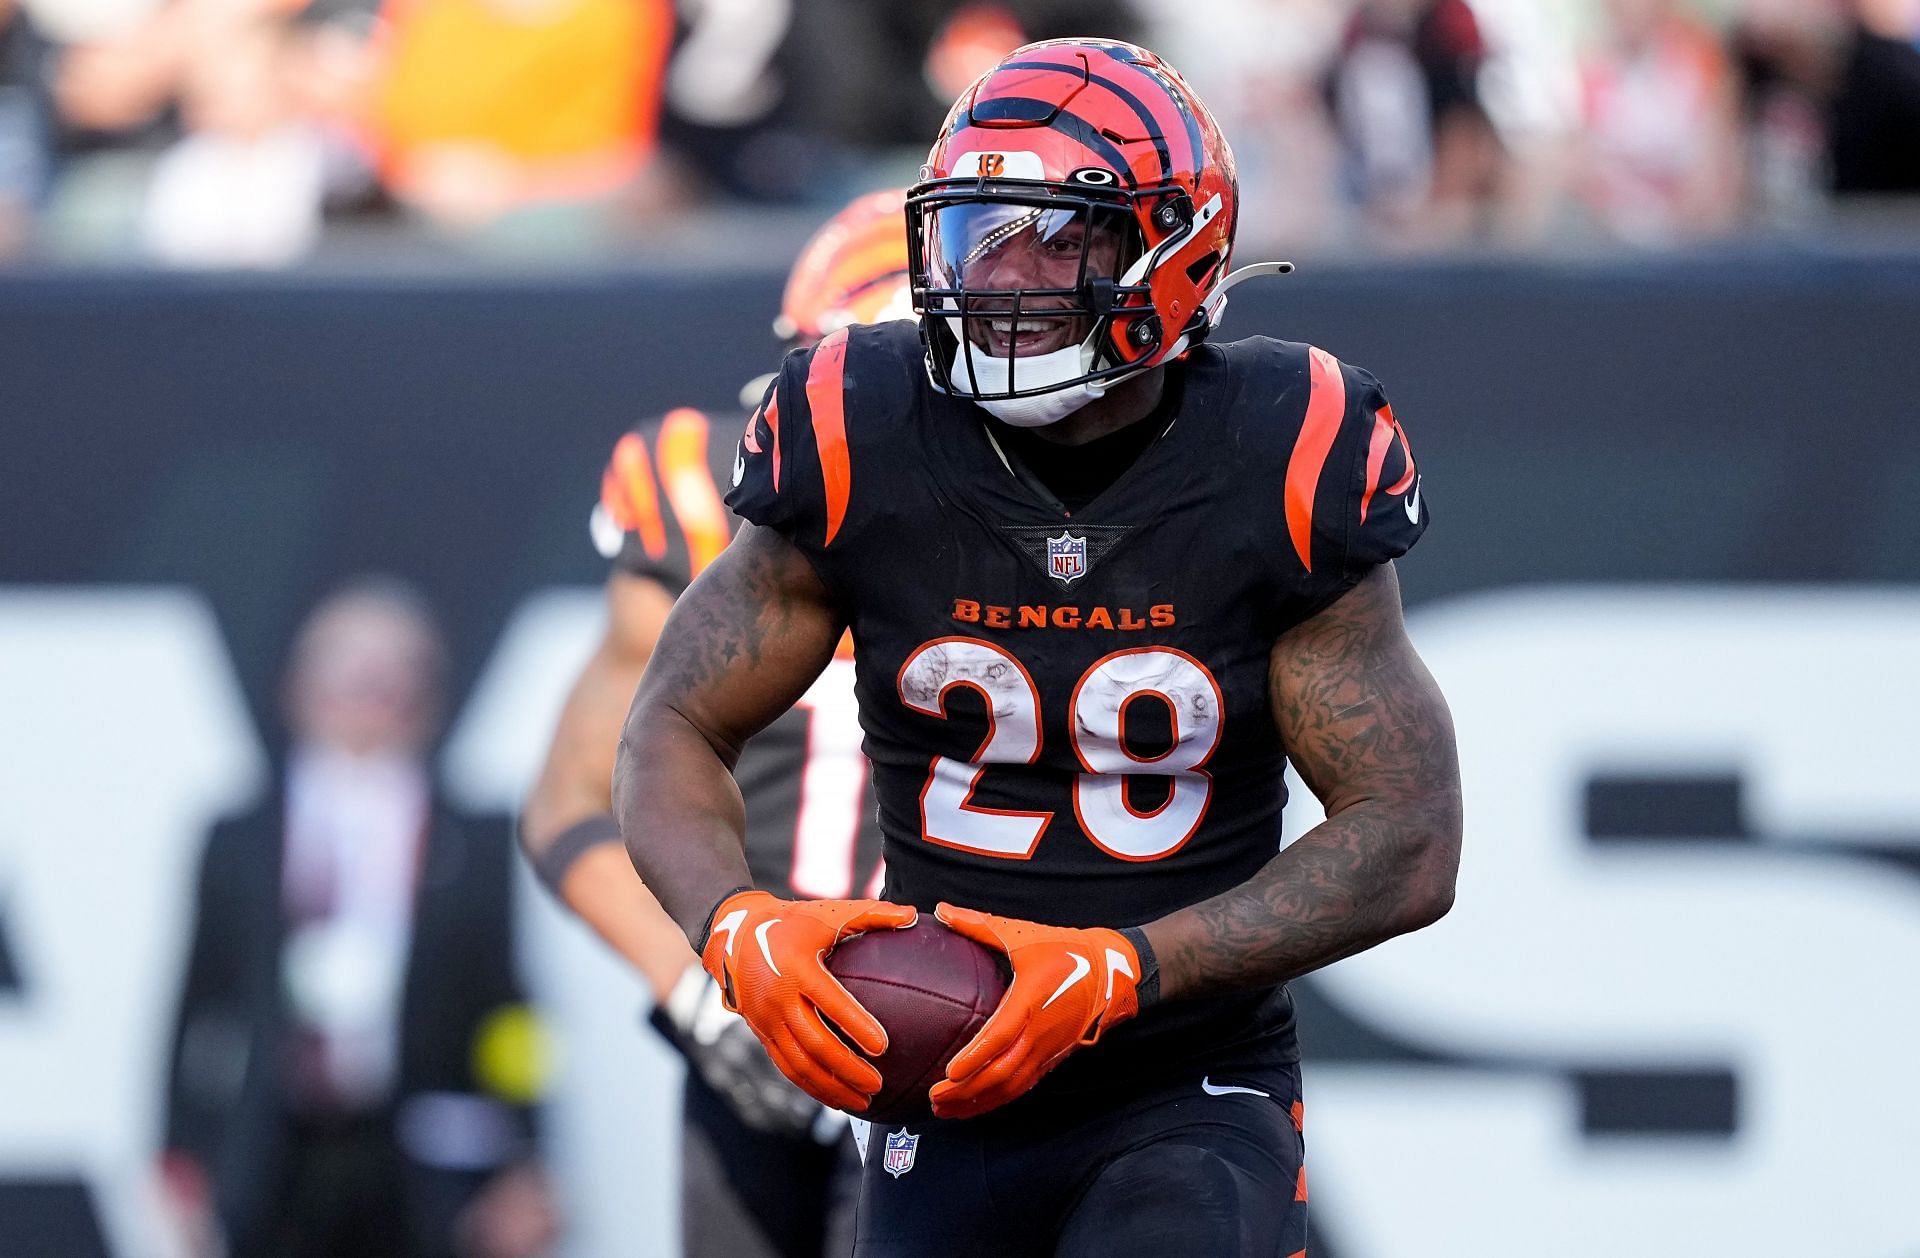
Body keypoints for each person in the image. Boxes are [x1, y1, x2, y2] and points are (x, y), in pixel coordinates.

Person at [613, 37, 1463, 1257]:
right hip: (945, 1088)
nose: (1004, 277)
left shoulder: (1287, 447)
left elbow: (1409, 835)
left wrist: (1122, 970)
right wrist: (734, 921)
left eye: (1058, 237)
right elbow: (673, 725)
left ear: (1176, 245)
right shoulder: (859, 424)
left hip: (1184, 1081)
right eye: (979, 236)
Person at [519, 189, 911, 1258]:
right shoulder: (697, 494)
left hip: (974, 1034)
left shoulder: (1074, 519)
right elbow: (571, 795)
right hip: (757, 1015)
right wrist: (705, 993)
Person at [162, 577, 554, 1258]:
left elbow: (512, 1016)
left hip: (420, 1164)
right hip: (275, 1154)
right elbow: (193, 1003)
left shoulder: (473, 838)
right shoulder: (241, 837)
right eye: (346, 666)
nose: (369, 689)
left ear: (427, 693)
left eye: (392, 671)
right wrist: (177, 1152)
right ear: (298, 686)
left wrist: (528, 1153)